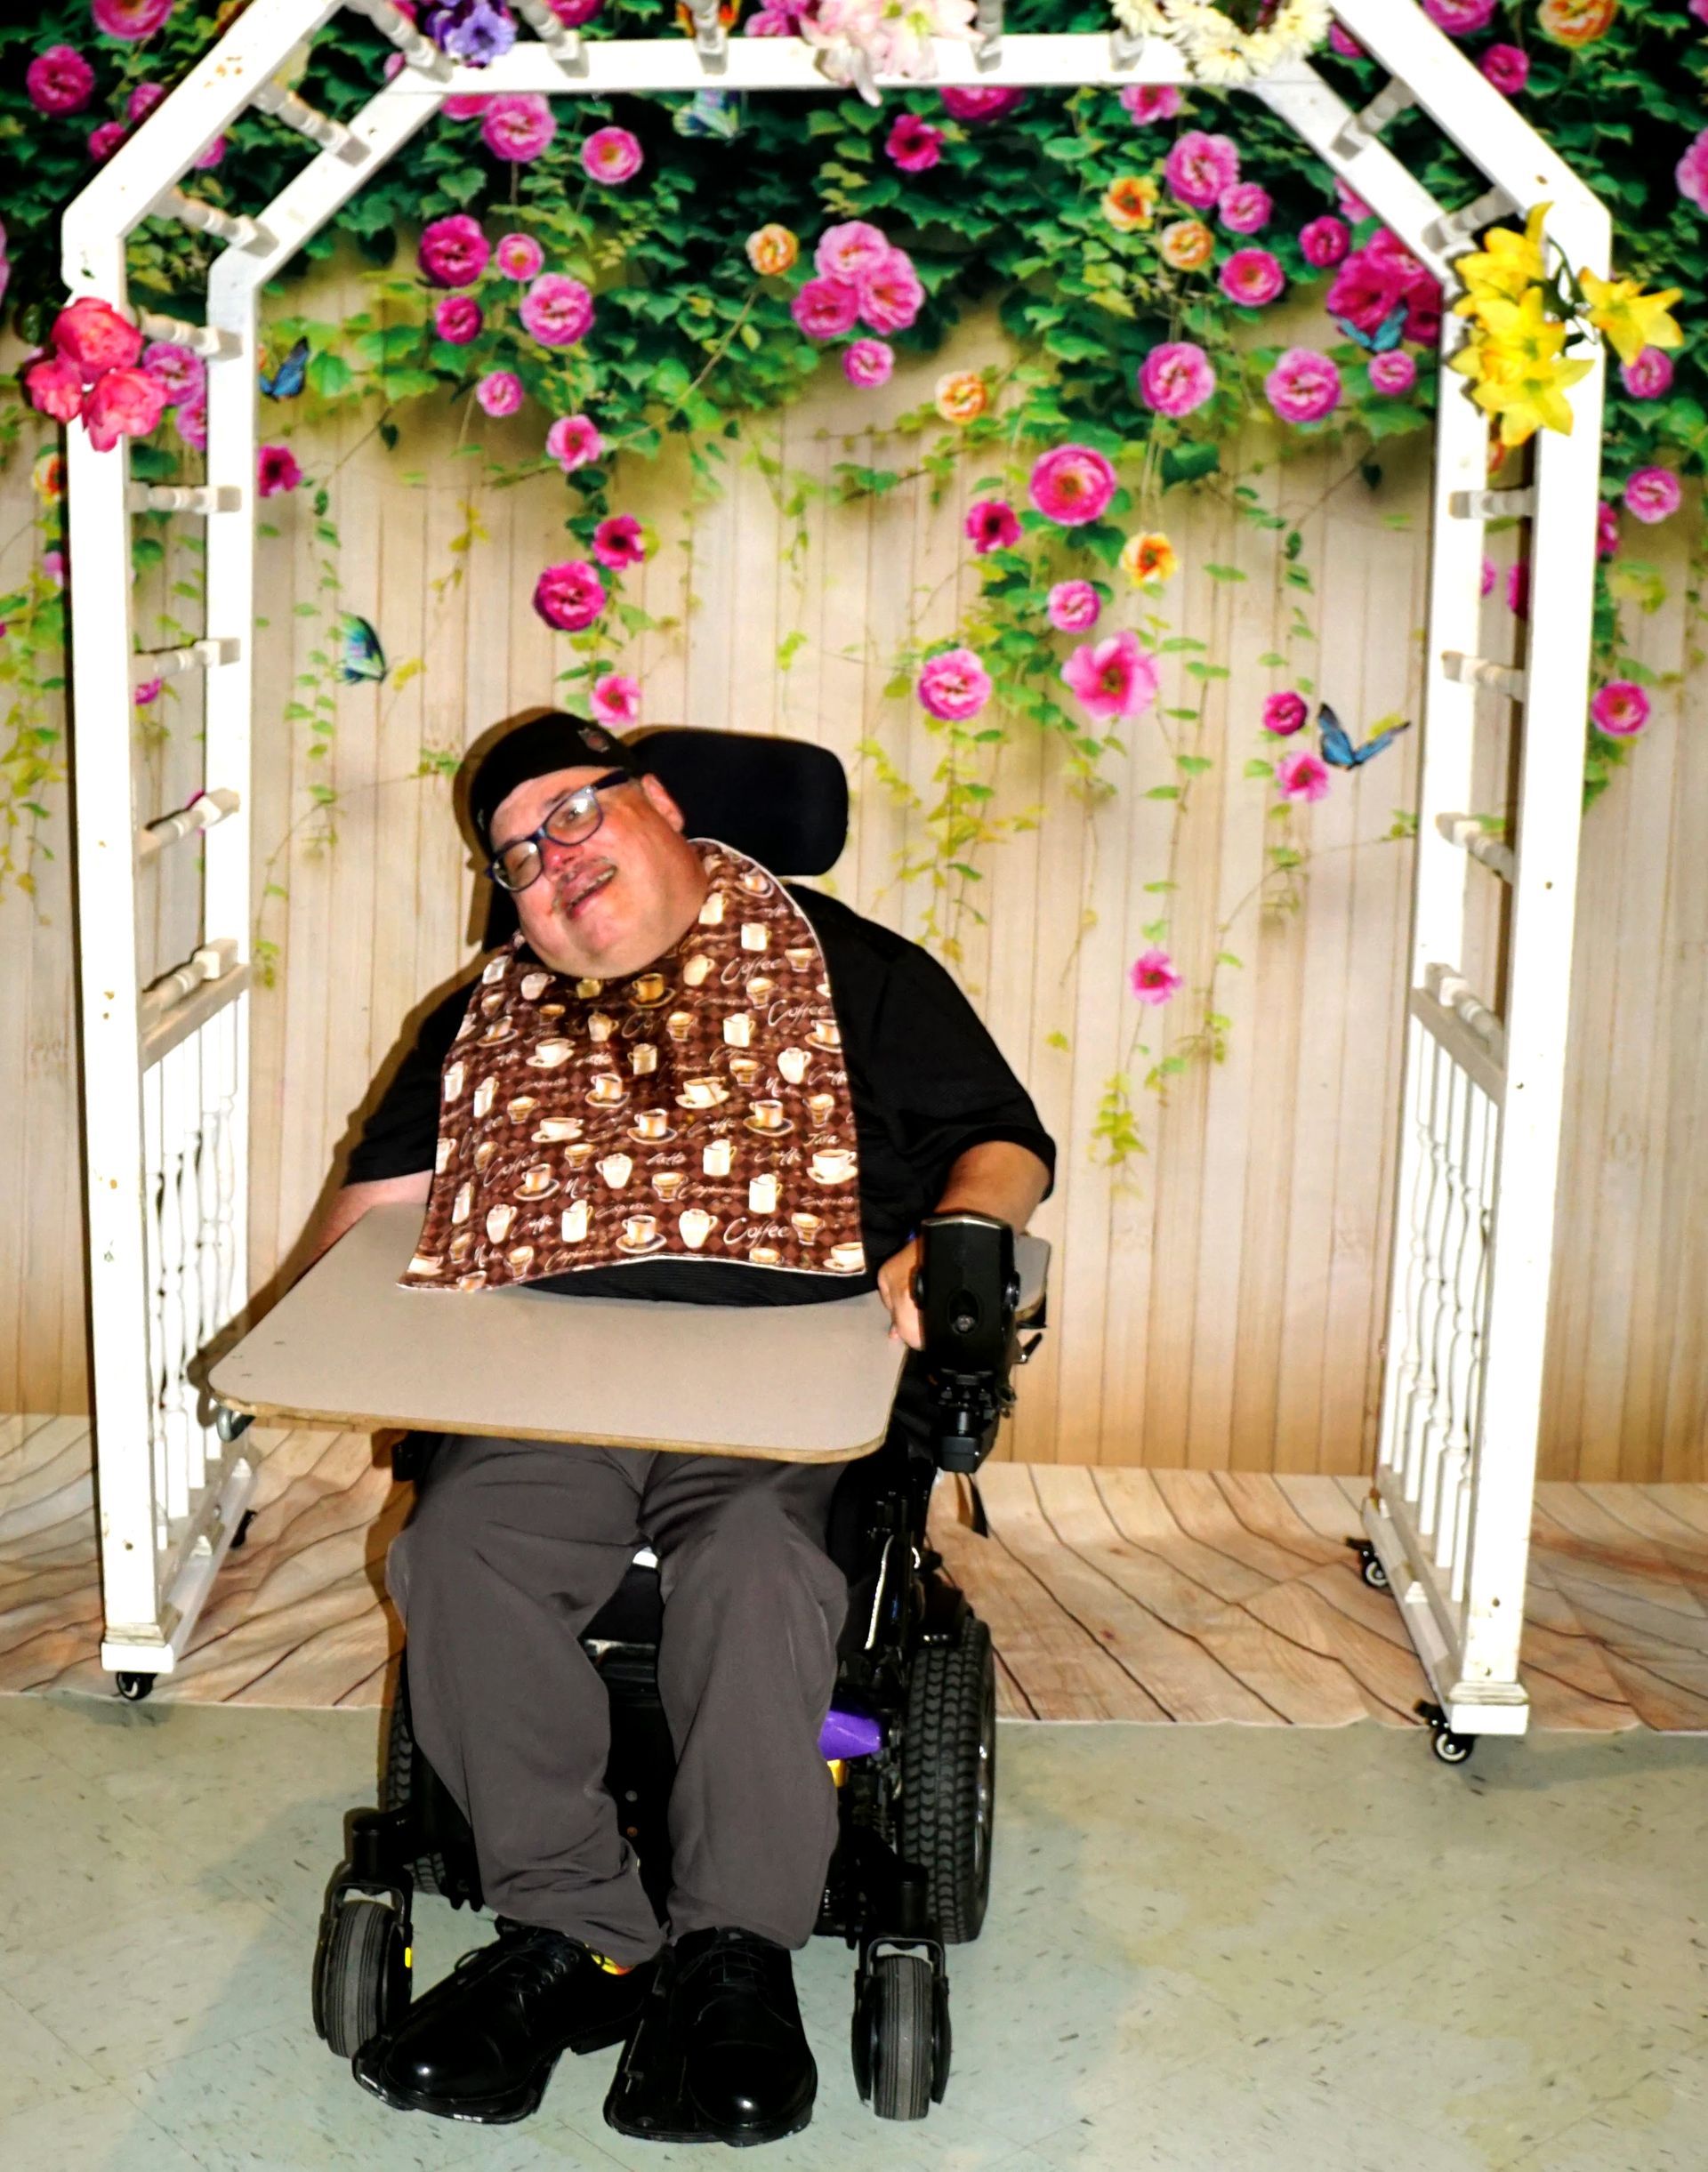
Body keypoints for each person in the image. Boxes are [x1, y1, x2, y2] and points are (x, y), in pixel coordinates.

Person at [314, 712, 1054, 2144]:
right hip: (552, 1388)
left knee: (758, 1569)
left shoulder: (853, 971)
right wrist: (335, 1311)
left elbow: (1003, 1141)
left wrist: (959, 1230)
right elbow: (373, 1219)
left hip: (780, 1391)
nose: (553, 861)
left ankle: (732, 1949)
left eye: (573, 814)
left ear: (656, 802)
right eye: (518, 859)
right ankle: (578, 1932)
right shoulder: (483, 1019)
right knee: (456, 1549)